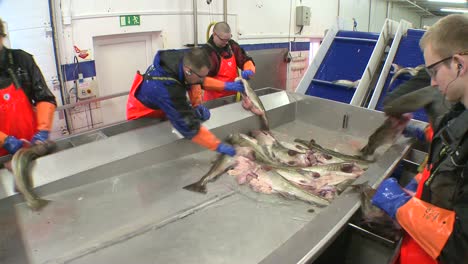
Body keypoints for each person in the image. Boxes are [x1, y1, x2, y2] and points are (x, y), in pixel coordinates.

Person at [371, 14, 468, 263]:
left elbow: (461, 245)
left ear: (459, 64)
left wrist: (402, 205)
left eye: (434, 71)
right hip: (415, 250)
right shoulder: (458, 116)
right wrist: (421, 189)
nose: (433, 83)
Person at [126, 47, 236, 156]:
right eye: (201, 77)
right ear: (188, 71)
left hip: (163, 105)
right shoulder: (168, 89)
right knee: (152, 153)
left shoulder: (184, 59)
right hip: (144, 115)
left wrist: (226, 86)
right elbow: (187, 126)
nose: (203, 80)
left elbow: (195, 82)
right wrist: (218, 146)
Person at [0, 18, 56, 156]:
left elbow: (45, 97)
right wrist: (4, 140)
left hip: (32, 144)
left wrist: (43, 131)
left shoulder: (22, 60)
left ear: (1, 37)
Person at [202, 22, 256, 101]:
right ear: (214, 35)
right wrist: (225, 85)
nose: (226, 42)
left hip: (233, 98)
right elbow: (201, 80)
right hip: (214, 101)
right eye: (223, 40)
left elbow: (245, 60)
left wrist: (249, 69)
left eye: (228, 39)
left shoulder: (231, 45)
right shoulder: (206, 52)